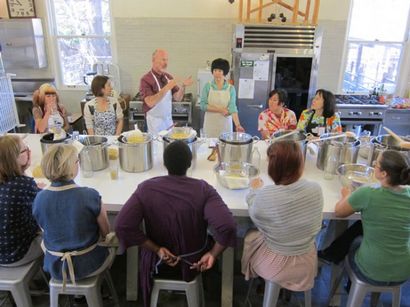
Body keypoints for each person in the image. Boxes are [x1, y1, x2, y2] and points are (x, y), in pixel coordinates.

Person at [115, 140, 237, 307]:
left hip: (157, 261)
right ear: (189, 163)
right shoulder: (203, 189)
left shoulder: (146, 189)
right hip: (194, 261)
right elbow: (227, 226)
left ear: (165, 164)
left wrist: (156, 249)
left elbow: (122, 225)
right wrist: (213, 254)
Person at [241, 141, 323, 292]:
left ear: (272, 168)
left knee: (249, 235)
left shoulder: (266, 195)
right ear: (300, 165)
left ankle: (257, 280)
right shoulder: (316, 189)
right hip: (307, 262)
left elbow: (254, 212)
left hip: (275, 264)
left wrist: (254, 190)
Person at [318, 150, 410, 285]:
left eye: (376, 164)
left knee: (355, 241)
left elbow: (339, 212)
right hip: (403, 271)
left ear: (384, 174)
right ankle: (330, 254)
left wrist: (346, 195)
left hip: (373, 269)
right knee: (360, 226)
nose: (373, 165)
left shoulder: (368, 193)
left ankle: (348, 285)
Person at [32, 144, 115, 285]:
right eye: (77, 161)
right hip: (89, 264)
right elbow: (105, 232)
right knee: (113, 241)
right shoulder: (90, 195)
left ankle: (76, 295)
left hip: (56, 266)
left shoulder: (39, 198)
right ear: (72, 166)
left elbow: (45, 229)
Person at [0, 135, 42, 266]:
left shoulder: (12, 182)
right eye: (24, 151)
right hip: (18, 253)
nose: (29, 152)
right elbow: (45, 203)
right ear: (12, 159)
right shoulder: (23, 184)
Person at [139, 49, 193, 134]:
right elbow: (150, 102)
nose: (166, 63)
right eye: (163, 59)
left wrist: (183, 86)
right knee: (156, 146)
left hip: (168, 122)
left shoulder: (168, 77)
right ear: (153, 60)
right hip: (154, 124)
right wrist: (167, 87)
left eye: (167, 60)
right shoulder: (146, 79)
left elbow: (178, 98)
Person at [200, 58, 244, 137]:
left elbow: (232, 108)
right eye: (215, 70)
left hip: (225, 124)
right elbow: (203, 105)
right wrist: (220, 110)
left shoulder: (231, 88)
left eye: (220, 71)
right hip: (210, 124)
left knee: (225, 146)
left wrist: (238, 125)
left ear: (225, 72)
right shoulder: (208, 86)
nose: (217, 73)